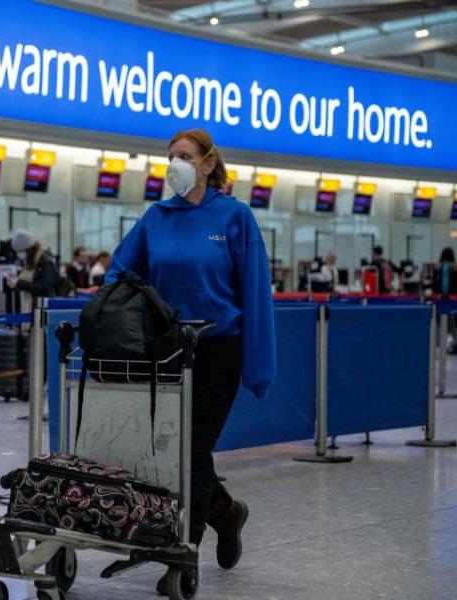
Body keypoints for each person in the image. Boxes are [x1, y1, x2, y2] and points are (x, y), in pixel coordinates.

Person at [105, 129, 275, 595]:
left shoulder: (235, 217)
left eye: (184, 156)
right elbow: (121, 272)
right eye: (170, 156)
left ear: (207, 164)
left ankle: (187, 552)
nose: (174, 163)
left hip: (219, 348)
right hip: (166, 349)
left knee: (192, 447)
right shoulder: (156, 217)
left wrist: (259, 365)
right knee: (169, 447)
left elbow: (256, 291)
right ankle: (224, 510)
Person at [7, 229, 59, 312]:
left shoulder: (46, 263)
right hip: (26, 308)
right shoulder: (28, 264)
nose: (19, 254)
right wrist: (14, 284)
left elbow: (44, 288)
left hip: (40, 311)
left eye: (20, 251)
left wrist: (19, 283)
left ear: (28, 250)